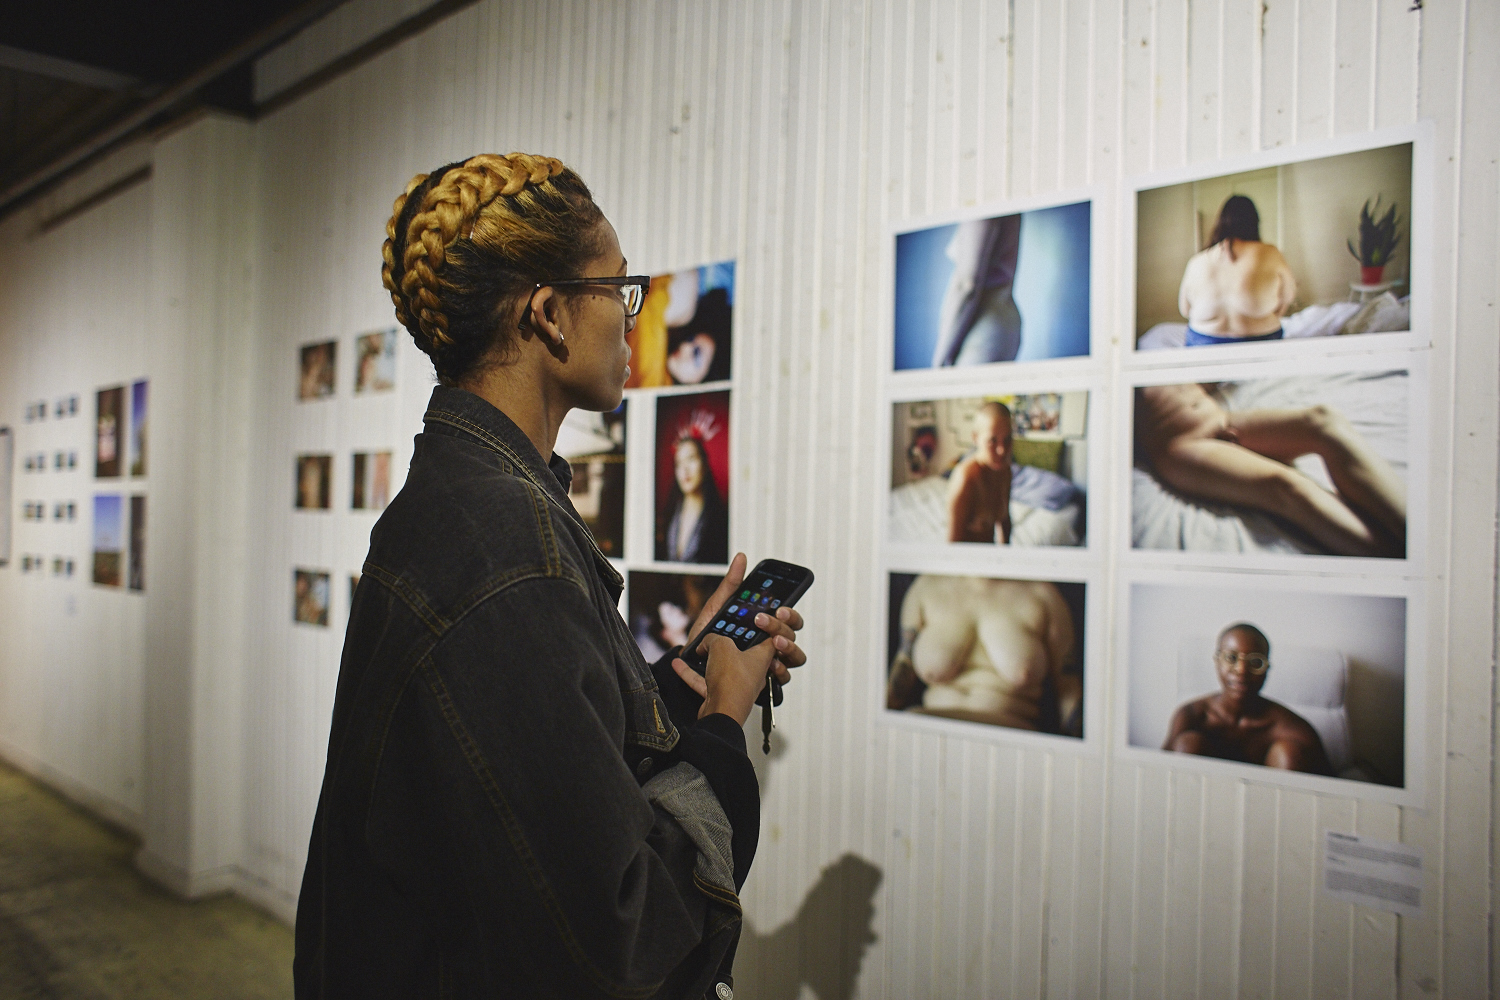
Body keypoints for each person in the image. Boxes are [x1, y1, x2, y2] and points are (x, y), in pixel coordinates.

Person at [294, 153, 808, 1000]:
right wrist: (721, 718)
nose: (632, 319)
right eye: (620, 288)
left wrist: (680, 677)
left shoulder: (462, 501)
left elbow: (532, 763)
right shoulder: (507, 544)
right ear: (551, 314)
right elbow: (620, 937)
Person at [1134, 382, 1406, 557]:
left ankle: (1412, 532)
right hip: (1181, 445)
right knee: (1287, 487)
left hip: (1221, 419)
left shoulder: (1159, 341)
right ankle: (1400, 557)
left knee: (1323, 420)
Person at [885, 575, 1081, 736]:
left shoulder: (1043, 595)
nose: (978, 526)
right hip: (925, 731)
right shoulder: (926, 586)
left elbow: (1067, 687)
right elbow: (901, 670)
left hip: (1011, 741)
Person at [1163, 623, 1332, 774]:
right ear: (1217, 662)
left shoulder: (1293, 729)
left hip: (1271, 804)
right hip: (1206, 803)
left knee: (1289, 753)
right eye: (1231, 658)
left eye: (1256, 662)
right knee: (1187, 745)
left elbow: (1331, 790)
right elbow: (1157, 777)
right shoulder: (1191, 715)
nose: (1242, 670)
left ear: (1267, 670)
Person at [1177, 195, 1297, 346]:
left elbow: (1185, 310)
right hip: (1259, 339)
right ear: (1254, 222)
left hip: (1204, 341)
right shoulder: (1270, 252)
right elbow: (1288, 297)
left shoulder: (1197, 260)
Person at [931, 215, 1024, 365]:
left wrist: (939, 360)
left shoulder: (983, 203)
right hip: (998, 321)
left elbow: (967, 284)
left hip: (980, 326)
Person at [946, 402, 1014, 544]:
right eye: (992, 441)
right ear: (975, 438)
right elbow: (953, 545)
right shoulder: (966, 478)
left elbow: (1005, 520)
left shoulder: (1005, 471)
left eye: (1007, 439)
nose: (1001, 450)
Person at [657, 434, 729, 564]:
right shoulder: (669, 514)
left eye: (691, 459)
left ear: (705, 463)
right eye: (679, 463)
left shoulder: (719, 518)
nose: (685, 469)